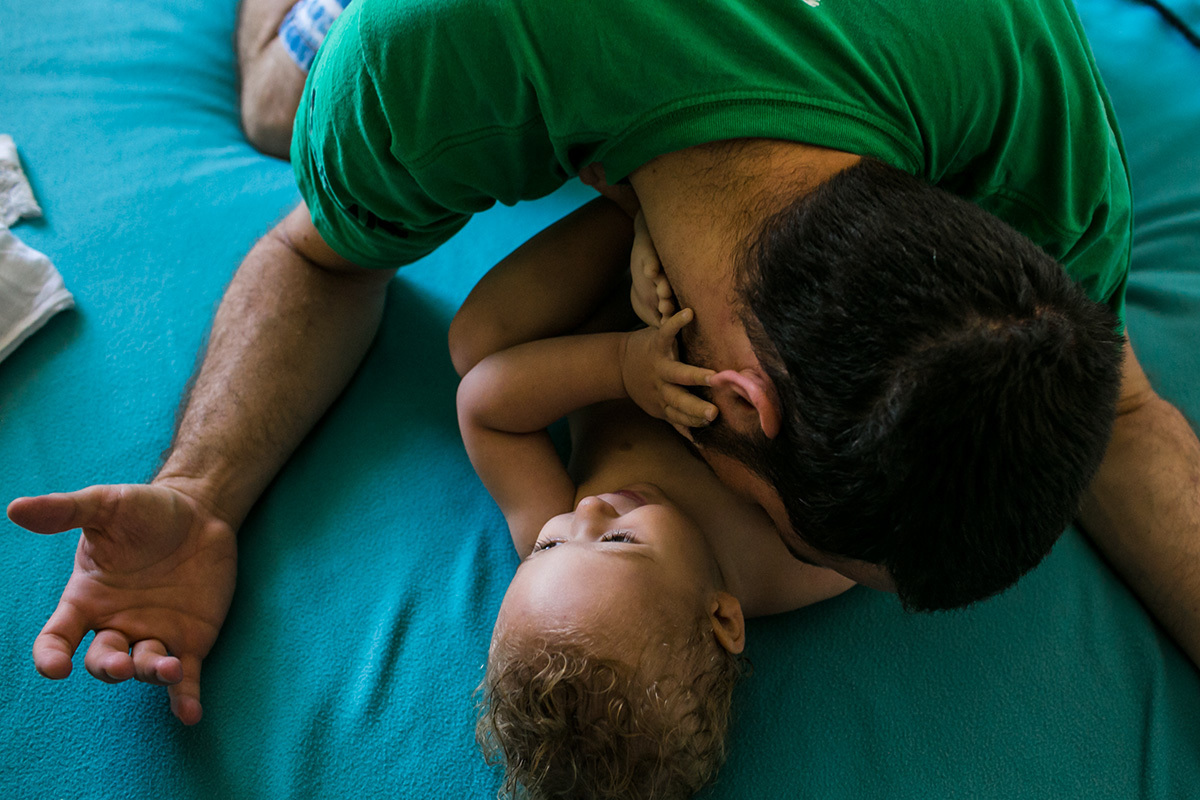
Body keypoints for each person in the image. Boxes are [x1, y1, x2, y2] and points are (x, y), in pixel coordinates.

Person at [7, 0, 1199, 726]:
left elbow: (1124, 415)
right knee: (284, 105)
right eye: (797, 536)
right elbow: (322, 255)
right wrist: (206, 485)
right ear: (735, 406)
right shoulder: (440, 52)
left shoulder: (1020, 113)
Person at [453, 198, 853, 798]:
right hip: (717, 307)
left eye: (545, 546)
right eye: (620, 540)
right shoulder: (796, 560)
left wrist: (621, 366)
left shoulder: (561, 544)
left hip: (604, 323)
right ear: (722, 616)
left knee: (473, 343)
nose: (584, 511)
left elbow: (483, 407)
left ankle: (632, 203)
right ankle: (673, 215)